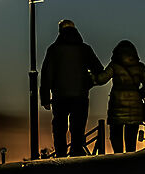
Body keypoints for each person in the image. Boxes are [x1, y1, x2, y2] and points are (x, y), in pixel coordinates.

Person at [40, 19, 104, 157]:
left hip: (59, 95)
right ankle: (76, 153)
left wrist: (45, 98)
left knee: (59, 127)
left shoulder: (53, 50)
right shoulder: (84, 49)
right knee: (78, 127)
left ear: (60, 31)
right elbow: (98, 70)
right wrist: (89, 82)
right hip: (80, 95)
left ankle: (61, 155)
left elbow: (47, 74)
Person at [102, 39, 145, 153]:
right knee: (131, 140)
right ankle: (131, 164)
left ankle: (119, 162)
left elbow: (102, 79)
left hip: (117, 107)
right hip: (134, 108)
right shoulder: (140, 66)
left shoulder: (114, 66)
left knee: (116, 136)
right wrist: (138, 95)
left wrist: (89, 77)